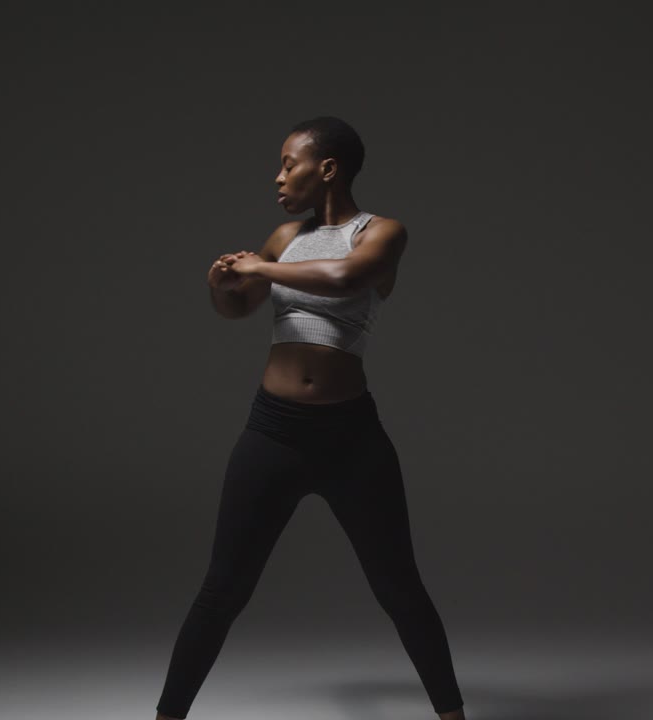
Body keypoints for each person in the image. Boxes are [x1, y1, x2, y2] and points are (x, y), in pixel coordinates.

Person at [154, 116, 466, 720]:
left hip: (352, 439)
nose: (277, 177)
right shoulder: (283, 238)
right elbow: (237, 308)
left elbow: (346, 277)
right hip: (274, 432)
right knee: (222, 591)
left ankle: (453, 716)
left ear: (326, 168)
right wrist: (220, 282)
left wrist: (260, 270)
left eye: (287, 164)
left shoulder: (382, 233)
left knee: (399, 589)